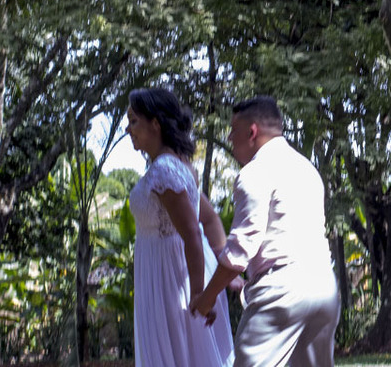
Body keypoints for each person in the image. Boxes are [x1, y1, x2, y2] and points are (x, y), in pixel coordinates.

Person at [190, 96, 340, 366]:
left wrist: (206, 298)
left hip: (281, 294)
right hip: (323, 286)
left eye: (233, 130)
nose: (230, 138)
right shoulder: (306, 168)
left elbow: (240, 249)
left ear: (252, 132)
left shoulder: (255, 172)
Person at [126, 87, 234, 367]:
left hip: (171, 277)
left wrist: (199, 293)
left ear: (156, 124)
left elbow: (193, 233)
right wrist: (222, 262)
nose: (128, 129)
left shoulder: (164, 170)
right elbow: (209, 218)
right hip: (165, 272)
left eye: (134, 121)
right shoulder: (178, 166)